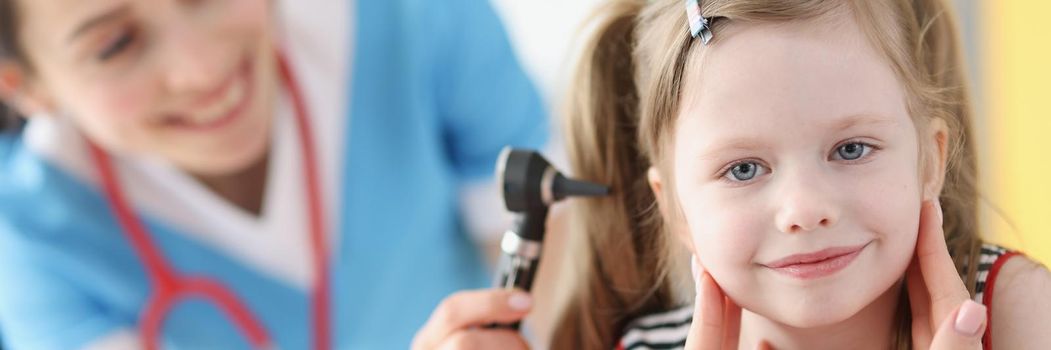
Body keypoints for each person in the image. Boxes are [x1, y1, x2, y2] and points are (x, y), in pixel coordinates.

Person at [411, 0, 1051, 349]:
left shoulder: (1017, 314)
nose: (804, 207)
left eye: (852, 150)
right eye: (744, 168)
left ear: (930, 159)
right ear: (676, 209)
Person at [0, 0, 548, 348]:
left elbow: (565, 259)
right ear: (25, 86)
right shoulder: (33, 239)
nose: (201, 69)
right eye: (115, 45)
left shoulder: (414, 18)